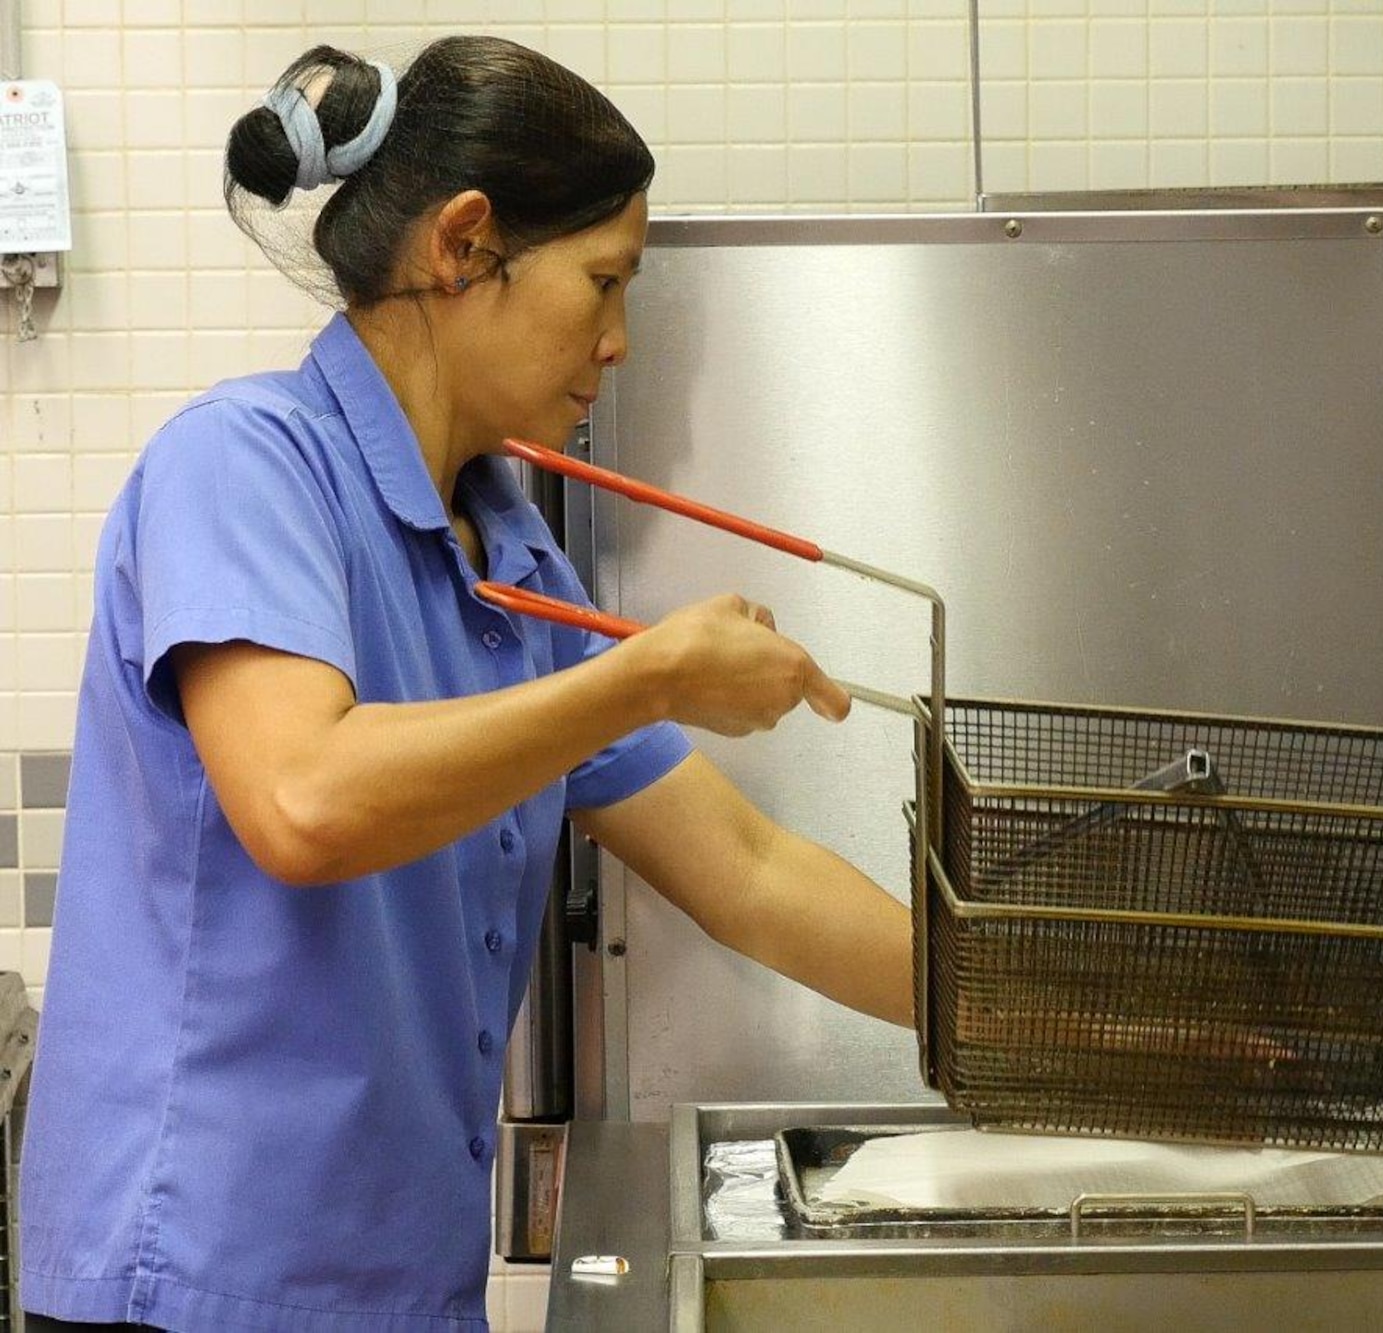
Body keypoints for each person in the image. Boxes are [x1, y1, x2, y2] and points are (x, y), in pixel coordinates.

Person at [19, 37, 914, 1332]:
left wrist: (1043, 1014)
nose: (615, 343)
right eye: (602, 284)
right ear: (465, 244)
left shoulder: (513, 556)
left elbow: (753, 870)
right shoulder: (244, 465)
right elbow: (305, 799)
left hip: (392, 1291)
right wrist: (650, 674)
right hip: (195, 1285)